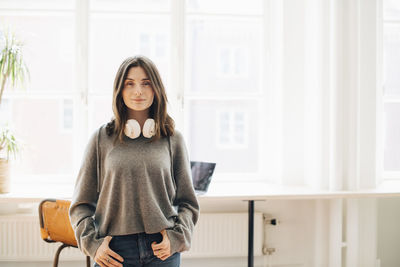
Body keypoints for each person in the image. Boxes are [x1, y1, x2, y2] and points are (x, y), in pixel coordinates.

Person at [69, 55, 200, 267]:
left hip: (162, 250)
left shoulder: (173, 139)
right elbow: (80, 205)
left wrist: (176, 238)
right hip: (114, 251)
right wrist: (93, 244)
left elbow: (189, 203)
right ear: (120, 91)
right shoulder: (101, 138)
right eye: (129, 84)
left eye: (146, 83)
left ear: (156, 89)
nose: (138, 91)